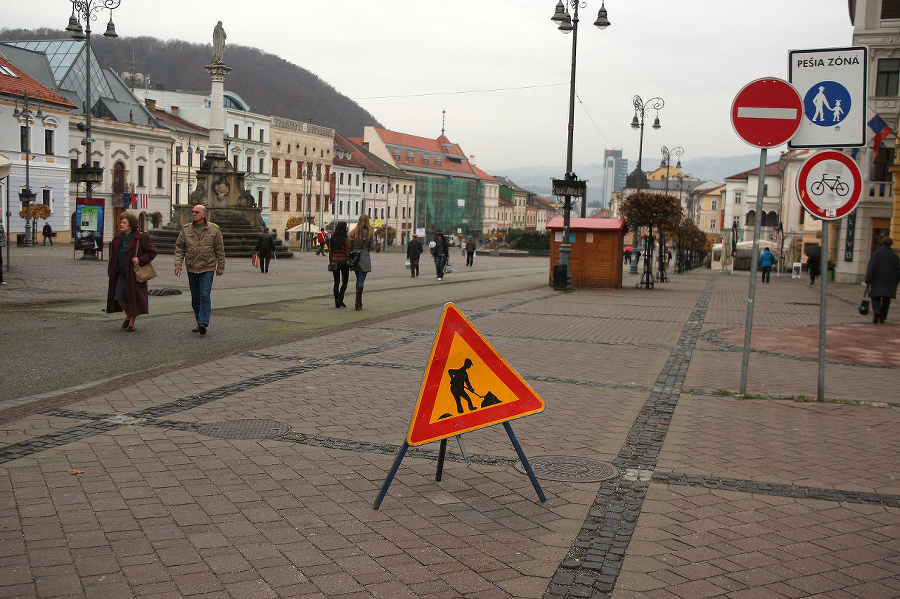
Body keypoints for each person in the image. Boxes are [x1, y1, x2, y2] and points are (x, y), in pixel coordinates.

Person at [175, 204, 225, 335]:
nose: (193, 214)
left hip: (207, 267)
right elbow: (179, 248)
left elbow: (220, 249)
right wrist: (178, 265)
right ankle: (199, 321)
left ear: (204, 214)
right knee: (195, 297)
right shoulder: (186, 229)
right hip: (192, 267)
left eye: (196, 212)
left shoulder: (214, 229)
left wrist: (221, 266)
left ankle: (203, 322)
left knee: (204, 294)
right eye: (192, 212)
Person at [106, 211, 157, 332]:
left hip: (133, 273)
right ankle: (128, 315)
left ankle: (131, 322)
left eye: (124, 222)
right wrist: (111, 269)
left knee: (132, 298)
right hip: (119, 272)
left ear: (131, 224)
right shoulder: (118, 236)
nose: (121, 224)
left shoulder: (141, 237)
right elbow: (113, 254)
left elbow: (152, 252)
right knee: (118, 297)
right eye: (121, 222)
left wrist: (140, 259)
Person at [865, 237, 900, 324]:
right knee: (886, 299)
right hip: (890, 280)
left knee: (875, 296)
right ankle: (882, 317)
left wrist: (868, 280)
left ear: (882, 244)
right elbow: (898, 270)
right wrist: (896, 281)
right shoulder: (895, 256)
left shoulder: (876, 254)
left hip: (877, 279)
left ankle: (876, 310)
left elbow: (871, 268)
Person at [349, 214, 375, 310]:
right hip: (364, 257)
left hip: (355, 257)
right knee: (361, 280)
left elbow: (350, 246)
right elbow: (372, 247)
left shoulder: (353, 232)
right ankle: (358, 303)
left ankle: (359, 301)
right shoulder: (369, 233)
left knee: (358, 278)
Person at [328, 221, 350, 308]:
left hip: (334, 261)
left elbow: (330, 251)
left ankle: (337, 301)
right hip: (343, 261)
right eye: (346, 227)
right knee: (345, 281)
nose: (347, 228)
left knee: (336, 282)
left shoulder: (333, 238)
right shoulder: (346, 239)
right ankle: (341, 298)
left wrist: (331, 261)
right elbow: (347, 252)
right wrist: (349, 260)